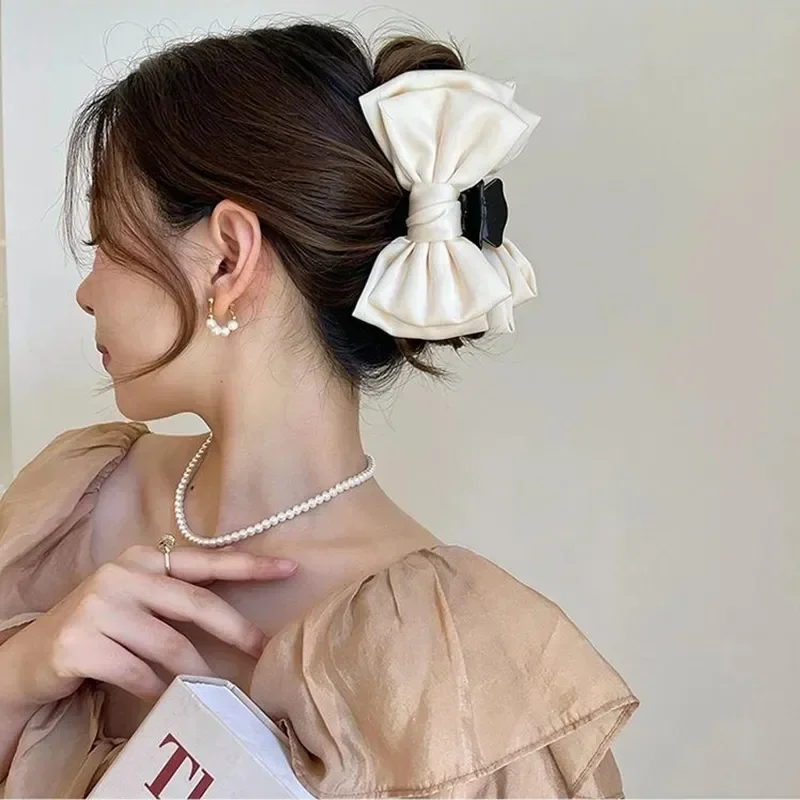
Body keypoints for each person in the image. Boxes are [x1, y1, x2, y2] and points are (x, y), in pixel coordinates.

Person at [0, 21, 638, 799]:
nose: (85, 290)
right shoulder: (70, 507)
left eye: (103, 238)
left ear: (228, 257)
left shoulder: (462, 671)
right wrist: (20, 675)